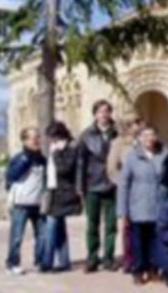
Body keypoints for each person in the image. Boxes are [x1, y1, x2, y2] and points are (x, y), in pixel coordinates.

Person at [117, 125, 168, 284]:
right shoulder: (132, 157)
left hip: (159, 204)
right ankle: (138, 269)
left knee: (155, 240)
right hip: (138, 205)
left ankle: (153, 268)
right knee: (138, 241)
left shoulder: (164, 155)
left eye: (152, 134)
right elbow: (124, 184)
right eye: (145, 135)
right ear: (140, 138)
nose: (149, 138)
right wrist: (122, 212)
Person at [77, 99, 119, 273]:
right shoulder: (86, 135)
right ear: (95, 114)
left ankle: (108, 258)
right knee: (92, 224)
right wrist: (80, 185)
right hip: (92, 183)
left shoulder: (117, 133)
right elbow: (80, 162)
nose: (104, 115)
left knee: (111, 224)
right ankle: (92, 257)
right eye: (100, 111)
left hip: (112, 183)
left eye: (107, 111)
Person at [40, 122, 82, 273]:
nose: (51, 141)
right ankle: (64, 261)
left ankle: (47, 261)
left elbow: (65, 168)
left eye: (53, 137)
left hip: (64, 192)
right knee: (59, 228)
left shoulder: (70, 147)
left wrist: (57, 153)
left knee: (51, 226)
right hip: (53, 190)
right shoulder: (54, 148)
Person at [106, 114, 144, 272]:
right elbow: (112, 168)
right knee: (127, 226)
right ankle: (129, 259)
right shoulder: (119, 144)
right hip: (128, 190)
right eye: (133, 123)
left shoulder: (145, 140)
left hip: (144, 190)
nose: (137, 126)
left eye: (138, 122)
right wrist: (122, 184)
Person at [5, 127, 46, 275]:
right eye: (31, 138)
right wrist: (26, 161)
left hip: (38, 203)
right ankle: (12, 263)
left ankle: (40, 261)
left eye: (37, 137)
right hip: (21, 204)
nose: (35, 140)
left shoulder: (42, 159)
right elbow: (10, 176)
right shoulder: (19, 158)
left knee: (42, 235)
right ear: (24, 140)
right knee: (17, 236)